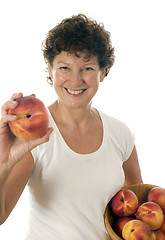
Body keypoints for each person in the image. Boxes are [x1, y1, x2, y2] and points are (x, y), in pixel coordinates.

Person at [0, 14, 143, 240]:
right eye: (64, 68)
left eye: (87, 68)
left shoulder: (120, 134)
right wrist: (4, 163)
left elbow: (137, 207)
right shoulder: (33, 138)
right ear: (50, 70)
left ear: (103, 72)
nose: (75, 81)